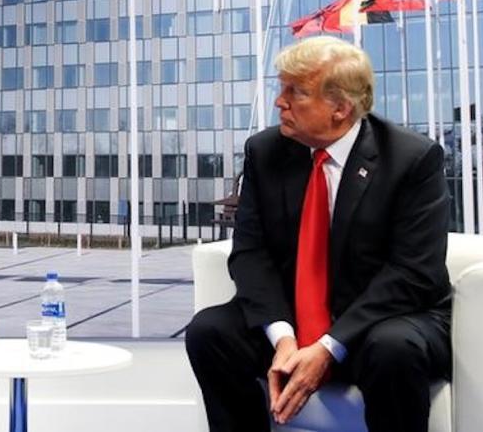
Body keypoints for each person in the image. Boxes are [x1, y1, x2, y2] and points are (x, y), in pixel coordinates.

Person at [185, 36, 451, 432]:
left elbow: (412, 274)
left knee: (394, 348)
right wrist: (284, 339)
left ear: (340, 108)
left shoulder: (412, 158)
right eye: (282, 87)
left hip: (382, 318)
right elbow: (250, 253)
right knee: (210, 331)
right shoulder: (266, 151)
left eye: (297, 92)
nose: (281, 101)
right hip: (295, 319)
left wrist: (328, 347)